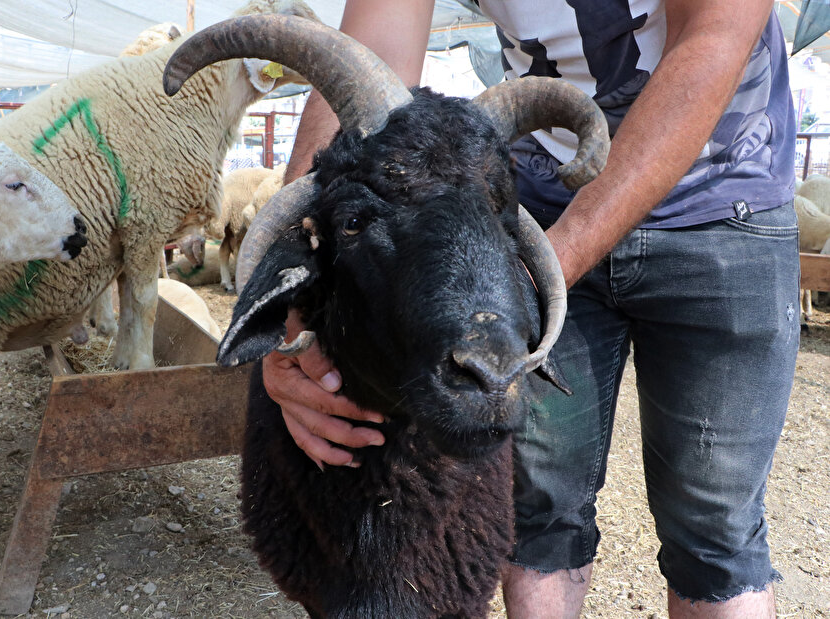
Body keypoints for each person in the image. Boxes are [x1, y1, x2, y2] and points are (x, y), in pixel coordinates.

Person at [261, 1, 799, 617]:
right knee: (538, 509)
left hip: (721, 200)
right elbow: (365, 62)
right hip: (533, 211)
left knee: (714, 524)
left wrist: (527, 282)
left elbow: (713, 36)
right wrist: (300, 301)